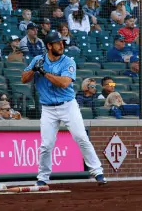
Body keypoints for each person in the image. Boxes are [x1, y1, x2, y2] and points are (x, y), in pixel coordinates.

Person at [21, 32, 107, 186]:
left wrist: (44, 72)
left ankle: (97, 171)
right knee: (46, 145)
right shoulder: (38, 60)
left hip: (68, 105)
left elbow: (64, 83)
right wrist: (34, 69)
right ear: (49, 46)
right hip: (48, 108)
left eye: (62, 43)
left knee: (81, 137)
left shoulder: (68, 61)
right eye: (57, 43)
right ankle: (42, 178)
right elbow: (24, 79)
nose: (61, 45)